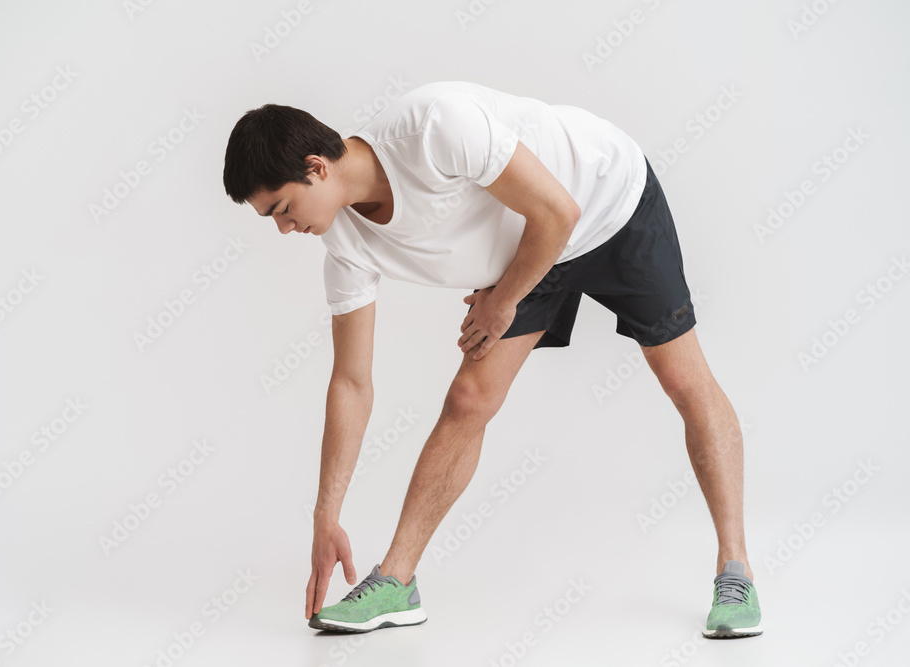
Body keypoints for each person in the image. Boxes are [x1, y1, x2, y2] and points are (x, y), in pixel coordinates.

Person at [222, 80, 762, 638]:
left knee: (680, 376)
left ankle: (736, 571)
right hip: (531, 251)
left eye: (282, 209)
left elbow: (558, 210)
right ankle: (397, 583)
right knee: (469, 399)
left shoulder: (433, 127)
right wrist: (325, 515)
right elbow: (352, 383)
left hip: (606, 205)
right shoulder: (345, 245)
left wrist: (502, 302)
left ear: (316, 167)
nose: (285, 229)